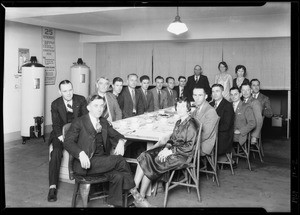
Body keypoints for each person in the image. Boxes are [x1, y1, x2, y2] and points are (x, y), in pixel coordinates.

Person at [63, 95, 153, 207]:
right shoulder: (79, 122)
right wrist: (80, 153)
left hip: (102, 162)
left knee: (118, 176)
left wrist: (120, 141)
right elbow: (68, 142)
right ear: (88, 107)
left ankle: (113, 205)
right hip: (86, 164)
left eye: (102, 106)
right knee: (120, 160)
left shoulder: (103, 122)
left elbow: (116, 134)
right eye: (95, 106)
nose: (99, 109)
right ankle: (137, 196)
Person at [134, 98, 198, 198]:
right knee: (145, 155)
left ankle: (140, 196)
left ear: (188, 108)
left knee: (153, 160)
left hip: (183, 156)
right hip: (174, 150)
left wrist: (171, 151)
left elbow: (189, 147)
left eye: (183, 106)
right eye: (178, 106)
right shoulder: (178, 122)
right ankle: (134, 190)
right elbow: (172, 139)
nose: (180, 109)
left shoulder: (191, 124)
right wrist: (166, 148)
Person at [47, 80, 88, 202]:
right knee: (56, 153)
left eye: (70, 90)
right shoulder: (55, 104)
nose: (68, 93)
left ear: (73, 89)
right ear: (60, 92)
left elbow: (85, 119)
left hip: (76, 133)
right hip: (60, 134)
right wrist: (61, 136)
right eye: (65, 91)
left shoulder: (81, 100)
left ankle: (84, 181)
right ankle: (52, 187)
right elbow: (56, 124)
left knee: (85, 149)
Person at [190, 88, 219, 156]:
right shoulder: (197, 109)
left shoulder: (210, 111)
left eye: (200, 95)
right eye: (195, 95)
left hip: (203, 144)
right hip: (196, 140)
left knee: (176, 149)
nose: (197, 98)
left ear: (205, 96)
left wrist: (189, 141)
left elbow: (205, 134)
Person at [210, 84, 234, 157]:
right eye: (213, 91)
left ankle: (206, 163)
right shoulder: (210, 104)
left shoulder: (228, 105)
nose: (215, 94)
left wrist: (211, 131)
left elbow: (226, 126)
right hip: (212, 134)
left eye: (217, 91)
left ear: (222, 92)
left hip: (222, 136)